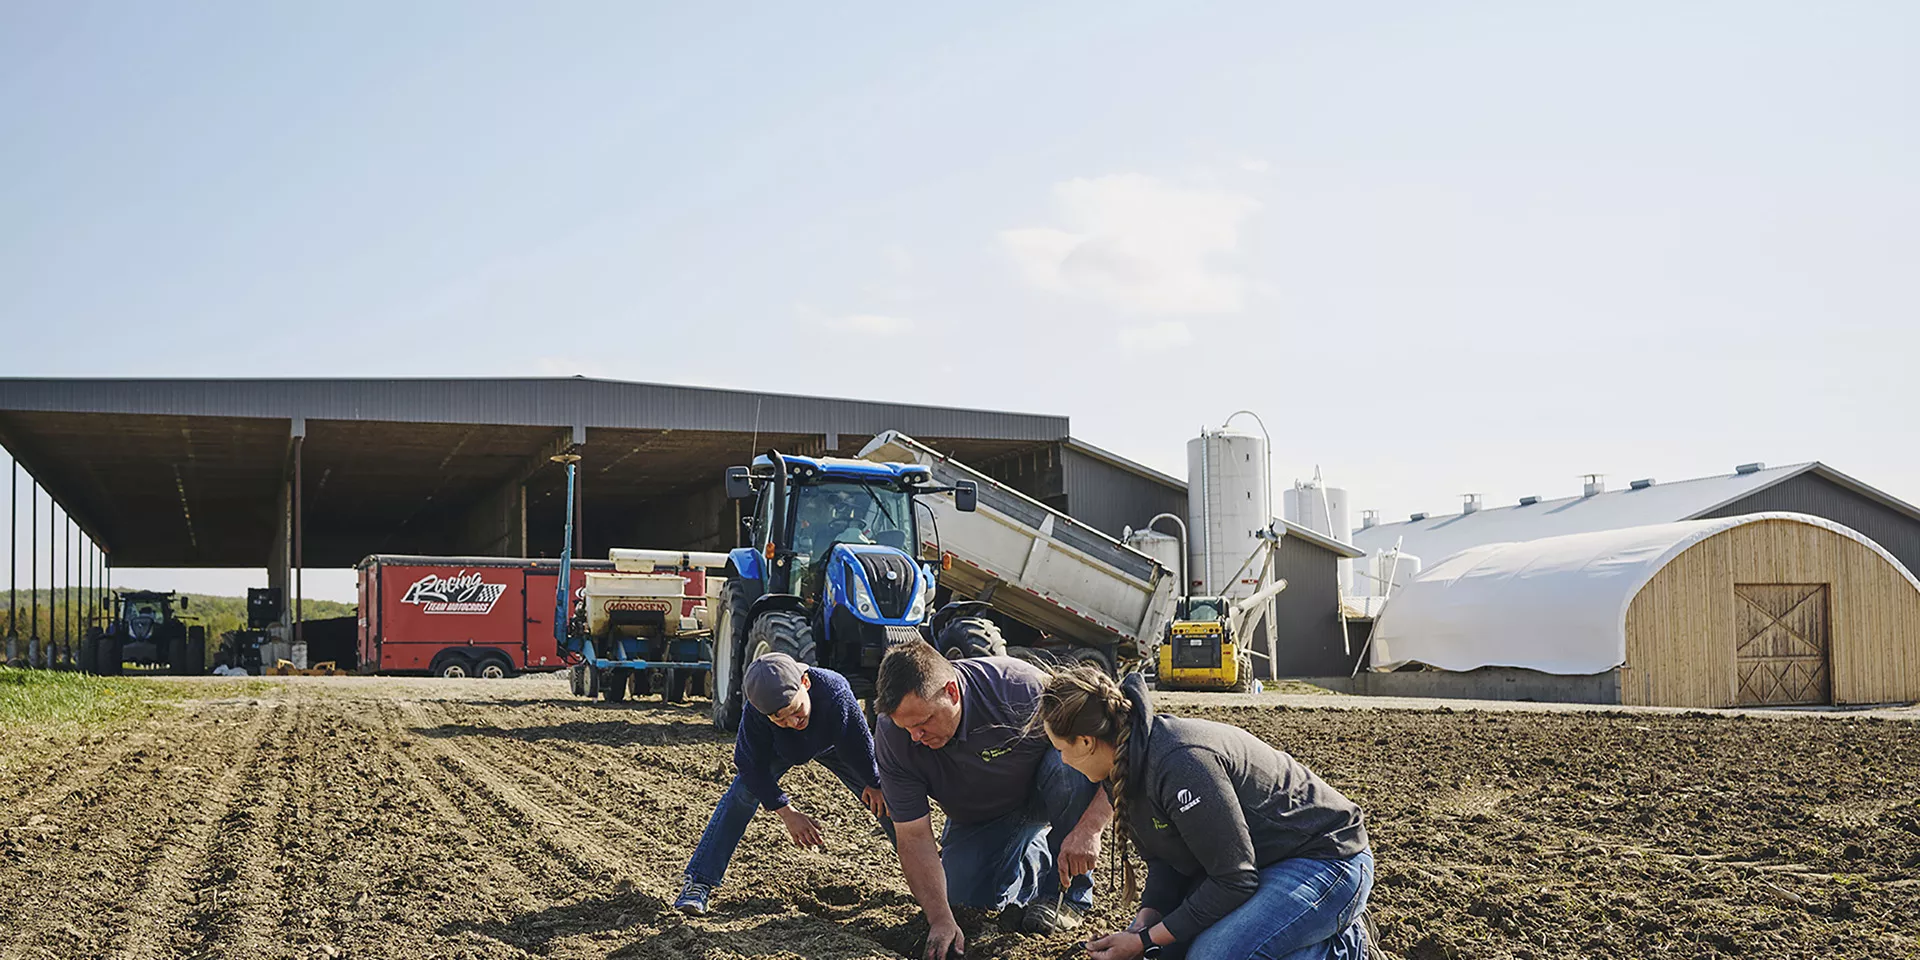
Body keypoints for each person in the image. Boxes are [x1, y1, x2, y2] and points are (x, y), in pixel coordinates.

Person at [1035, 667, 1380, 960]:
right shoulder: (1123, 763)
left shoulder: (1180, 763)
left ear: (1086, 742)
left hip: (1325, 859)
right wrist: (1143, 926)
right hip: (1257, 861)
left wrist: (1143, 941)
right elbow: (1166, 861)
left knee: (1211, 956)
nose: (1062, 760)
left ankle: (1345, 948)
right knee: (1169, 951)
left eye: (1061, 749)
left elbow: (1234, 879)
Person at [874, 640, 1113, 959]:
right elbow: (914, 836)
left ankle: (1067, 897)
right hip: (982, 816)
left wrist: (1090, 830)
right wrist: (940, 918)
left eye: (923, 723)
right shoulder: (893, 739)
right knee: (960, 901)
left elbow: (1113, 753)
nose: (916, 737)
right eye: (907, 729)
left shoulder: (1018, 688)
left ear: (952, 692)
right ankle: (1034, 859)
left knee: (1069, 762)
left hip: (1045, 789)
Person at [675, 652, 892, 915]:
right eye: (779, 719)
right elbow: (748, 765)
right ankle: (698, 882)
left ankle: (932, 875)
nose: (791, 722)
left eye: (796, 711)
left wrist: (873, 781)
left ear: (805, 683)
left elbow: (859, 742)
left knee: (887, 799)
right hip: (782, 751)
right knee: (741, 793)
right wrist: (786, 812)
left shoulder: (835, 691)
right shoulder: (756, 713)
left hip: (834, 743)